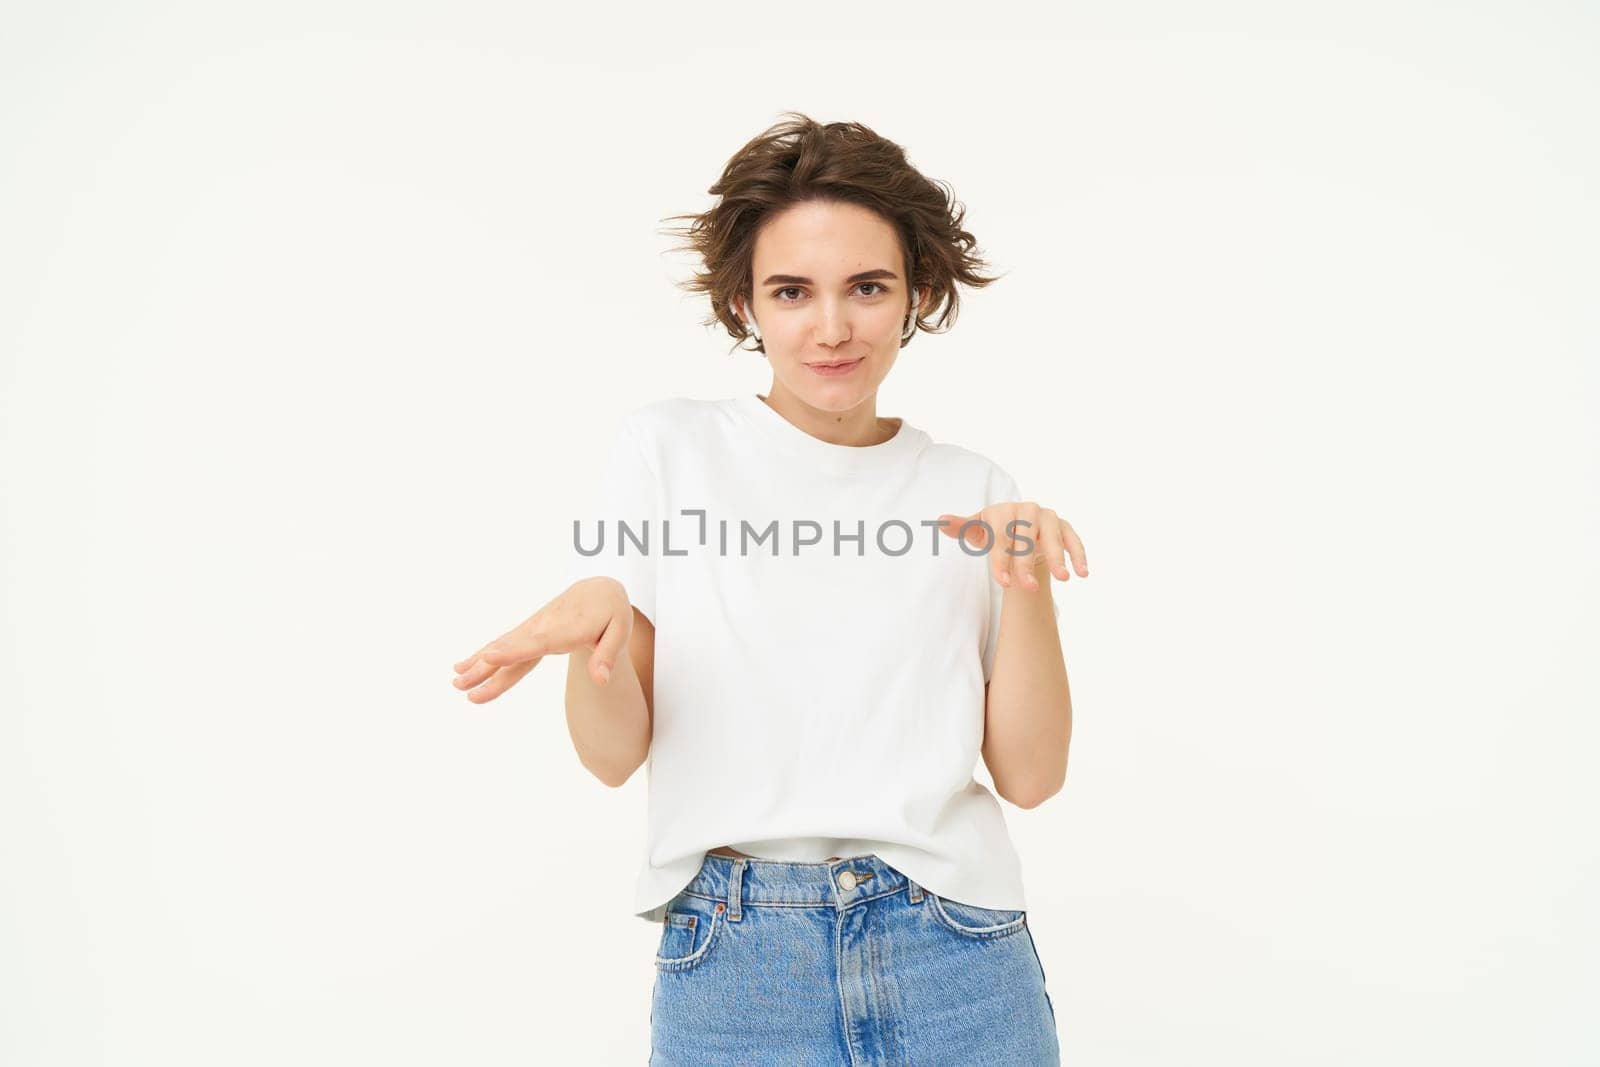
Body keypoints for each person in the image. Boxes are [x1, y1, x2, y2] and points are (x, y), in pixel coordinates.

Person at [451, 113, 1087, 1065]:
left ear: (917, 290)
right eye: (792, 291)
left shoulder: (974, 489)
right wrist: (600, 644)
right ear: (745, 304)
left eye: (867, 287)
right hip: (737, 960)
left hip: (956, 950)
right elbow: (612, 756)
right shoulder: (671, 451)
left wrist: (1025, 575)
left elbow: (1032, 777)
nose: (832, 327)